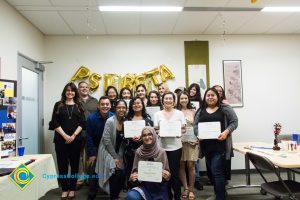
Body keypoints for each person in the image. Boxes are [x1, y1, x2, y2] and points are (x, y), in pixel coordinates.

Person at [193, 87, 238, 200]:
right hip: (206, 148)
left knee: (217, 172)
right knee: (212, 173)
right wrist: (198, 134)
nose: (210, 97)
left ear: (217, 97)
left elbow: (234, 122)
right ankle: (219, 193)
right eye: (208, 95)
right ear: (205, 97)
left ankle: (220, 197)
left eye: (213, 95)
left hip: (220, 146)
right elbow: (195, 125)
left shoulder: (225, 108)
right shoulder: (201, 110)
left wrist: (226, 132)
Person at [49, 82, 85, 199]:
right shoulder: (58, 105)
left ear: (75, 92)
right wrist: (65, 135)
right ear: (65, 92)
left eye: (72, 90)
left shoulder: (79, 105)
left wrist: (73, 135)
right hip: (60, 140)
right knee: (62, 165)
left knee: (74, 166)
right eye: (68, 90)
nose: (70, 92)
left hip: (76, 140)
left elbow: (82, 123)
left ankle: (72, 189)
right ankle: (64, 189)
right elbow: (54, 122)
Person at [153, 92, 186, 200]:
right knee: (164, 173)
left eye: (170, 98)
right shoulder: (157, 114)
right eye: (166, 98)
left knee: (174, 174)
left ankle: (177, 196)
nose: (168, 100)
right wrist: (160, 132)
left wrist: (179, 132)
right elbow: (155, 129)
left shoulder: (179, 113)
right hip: (161, 148)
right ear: (163, 100)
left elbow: (184, 129)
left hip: (175, 147)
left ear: (174, 101)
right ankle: (167, 196)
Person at [125, 126, 171, 200]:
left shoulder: (161, 152)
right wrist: (133, 177)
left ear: (154, 135)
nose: (147, 137)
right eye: (144, 135)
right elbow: (135, 171)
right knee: (132, 196)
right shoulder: (138, 152)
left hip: (158, 187)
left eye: (150, 134)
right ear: (141, 138)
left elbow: (167, 174)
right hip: (143, 186)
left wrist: (166, 175)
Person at [95, 99, 127, 200]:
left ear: (126, 109)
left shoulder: (126, 122)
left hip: (118, 152)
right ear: (115, 108)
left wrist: (119, 157)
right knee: (116, 172)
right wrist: (115, 157)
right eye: (119, 107)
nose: (121, 109)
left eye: (123, 107)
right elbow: (107, 140)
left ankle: (116, 195)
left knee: (122, 173)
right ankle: (113, 197)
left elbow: (123, 143)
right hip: (106, 151)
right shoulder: (110, 121)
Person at [86, 96, 114, 200]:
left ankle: (111, 191)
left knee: (112, 169)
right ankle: (92, 192)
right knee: (93, 170)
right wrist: (92, 154)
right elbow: (89, 137)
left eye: (107, 104)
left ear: (110, 106)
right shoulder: (91, 118)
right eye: (102, 104)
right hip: (96, 148)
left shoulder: (114, 117)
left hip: (109, 150)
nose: (105, 106)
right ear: (98, 106)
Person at [124, 97, 153, 188]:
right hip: (130, 152)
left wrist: (142, 139)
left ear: (142, 105)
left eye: (139, 103)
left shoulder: (147, 118)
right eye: (134, 103)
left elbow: (152, 135)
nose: (136, 105)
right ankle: (132, 192)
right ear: (131, 106)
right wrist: (130, 138)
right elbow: (122, 135)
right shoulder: (127, 119)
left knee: (145, 172)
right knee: (131, 172)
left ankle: (145, 191)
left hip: (145, 151)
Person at [177, 91, 199, 200]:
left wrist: (197, 138)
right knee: (181, 165)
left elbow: (197, 127)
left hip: (192, 142)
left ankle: (191, 189)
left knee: (191, 166)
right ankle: (185, 188)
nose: (184, 100)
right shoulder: (176, 112)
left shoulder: (193, 111)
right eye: (181, 98)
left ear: (188, 99)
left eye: (185, 98)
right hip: (179, 142)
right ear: (178, 100)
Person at [77, 81, 98, 189]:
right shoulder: (74, 100)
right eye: (82, 87)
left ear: (89, 88)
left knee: (91, 156)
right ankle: (80, 179)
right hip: (77, 133)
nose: (84, 89)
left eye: (86, 87)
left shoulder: (95, 101)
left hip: (91, 133)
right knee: (78, 157)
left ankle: (91, 179)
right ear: (78, 89)